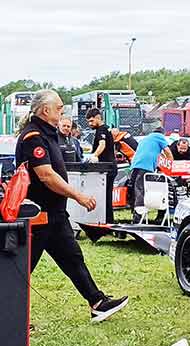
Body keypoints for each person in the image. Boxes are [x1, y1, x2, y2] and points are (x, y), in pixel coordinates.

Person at [14, 90, 128, 322]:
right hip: (39, 217)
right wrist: (79, 196)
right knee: (20, 271)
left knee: (73, 258)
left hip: (54, 215)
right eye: (59, 109)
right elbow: (46, 175)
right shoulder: (33, 137)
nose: (62, 112)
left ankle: (97, 302)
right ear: (45, 110)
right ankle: (11, 320)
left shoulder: (48, 134)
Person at [127, 131, 173, 223]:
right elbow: (167, 152)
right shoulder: (159, 136)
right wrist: (171, 165)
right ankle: (139, 217)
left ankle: (136, 214)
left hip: (135, 166)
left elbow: (159, 154)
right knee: (146, 190)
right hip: (146, 166)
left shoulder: (146, 139)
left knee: (135, 190)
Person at [86, 108, 117, 223]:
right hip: (110, 166)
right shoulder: (106, 128)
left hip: (107, 168)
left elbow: (102, 145)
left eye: (91, 121)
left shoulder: (101, 130)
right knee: (106, 196)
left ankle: (107, 221)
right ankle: (107, 220)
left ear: (98, 117)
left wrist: (94, 156)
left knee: (105, 196)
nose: (90, 124)